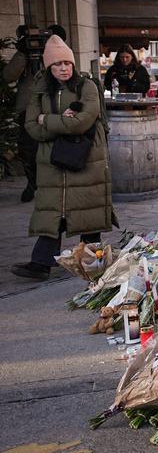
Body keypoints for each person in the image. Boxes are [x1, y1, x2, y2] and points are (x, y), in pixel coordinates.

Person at [12, 36, 115, 280]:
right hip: (51, 161)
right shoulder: (40, 91)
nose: (64, 68)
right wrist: (60, 121)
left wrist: (47, 119)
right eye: (57, 64)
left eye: (67, 63)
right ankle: (41, 263)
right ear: (49, 67)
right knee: (52, 210)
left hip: (87, 157)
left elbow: (81, 122)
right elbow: (31, 127)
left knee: (88, 210)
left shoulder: (87, 87)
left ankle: (92, 263)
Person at [3, 25, 67, 202]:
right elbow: (8, 76)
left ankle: (55, 184)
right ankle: (32, 183)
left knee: (56, 147)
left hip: (55, 106)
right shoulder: (26, 53)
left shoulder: (60, 54)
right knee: (29, 149)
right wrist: (23, 53)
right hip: (29, 107)